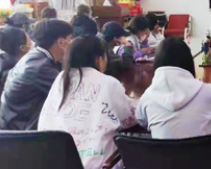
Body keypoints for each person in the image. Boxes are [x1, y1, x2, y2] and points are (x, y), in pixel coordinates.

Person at [38, 36, 137, 168]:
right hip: (99, 165)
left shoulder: (61, 79)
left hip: (53, 162)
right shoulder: (108, 82)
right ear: (99, 59)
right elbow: (130, 120)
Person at [136, 37, 211, 139]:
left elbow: (142, 122)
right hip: (206, 160)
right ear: (188, 62)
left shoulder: (147, 98)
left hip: (162, 159)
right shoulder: (209, 93)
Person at [0, 19, 73, 130]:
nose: (72, 44)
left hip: (15, 122)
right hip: (22, 130)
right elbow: (72, 94)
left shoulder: (36, 57)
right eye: (70, 39)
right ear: (61, 42)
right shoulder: (40, 67)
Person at [0, 27, 32, 109]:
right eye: (29, 40)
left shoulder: (3, 61)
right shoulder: (19, 72)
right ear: (23, 48)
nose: (32, 43)